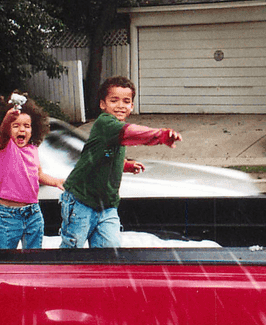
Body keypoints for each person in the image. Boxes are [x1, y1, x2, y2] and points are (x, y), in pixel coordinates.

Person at [60, 76, 182, 248]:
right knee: (72, 249)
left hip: (107, 205)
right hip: (81, 201)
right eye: (114, 100)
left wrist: (124, 165)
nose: (120, 105)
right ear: (103, 104)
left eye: (126, 101)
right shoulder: (105, 123)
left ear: (132, 106)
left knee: (109, 250)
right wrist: (160, 135)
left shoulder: (117, 128)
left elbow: (104, 156)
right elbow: (131, 133)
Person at [0, 92, 64, 250]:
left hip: (33, 213)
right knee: (6, 262)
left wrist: (56, 181)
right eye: (16, 125)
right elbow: (4, 131)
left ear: (33, 129)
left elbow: (39, 174)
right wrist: (9, 116)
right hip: (9, 216)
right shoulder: (5, 146)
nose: (21, 129)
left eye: (26, 126)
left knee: (33, 261)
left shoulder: (33, 149)